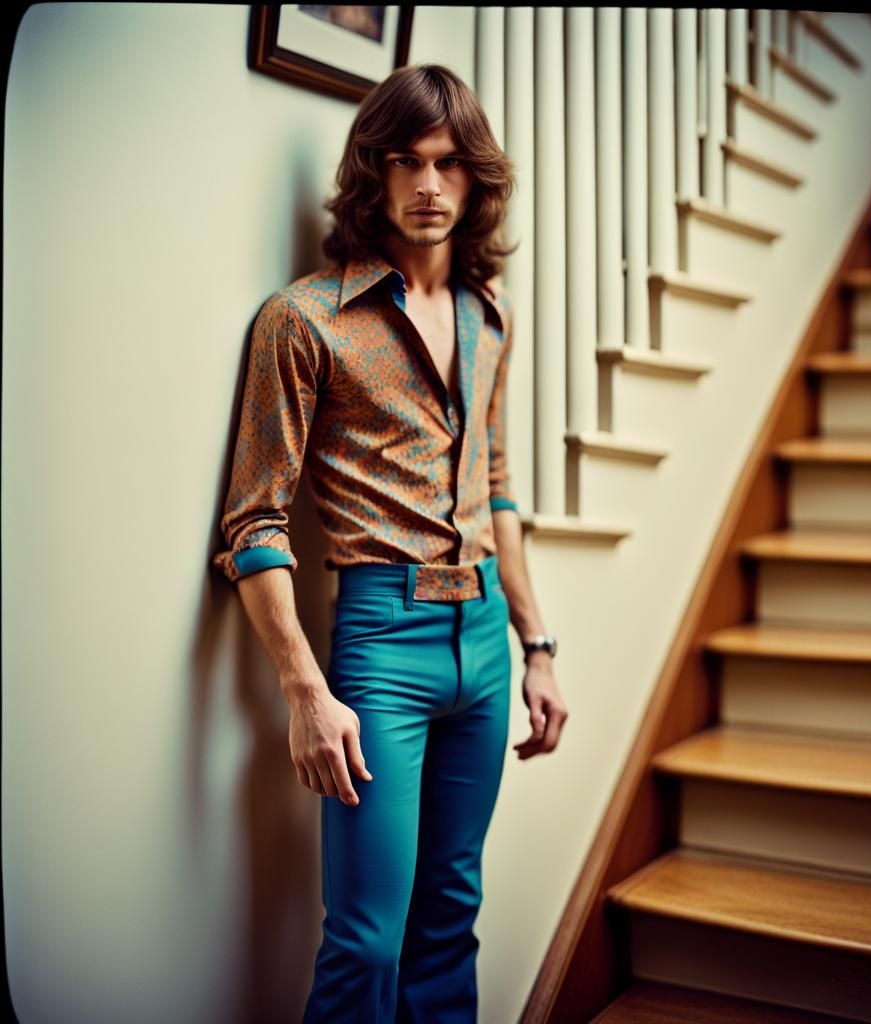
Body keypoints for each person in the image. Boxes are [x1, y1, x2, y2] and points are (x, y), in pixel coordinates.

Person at [211, 63, 568, 1023]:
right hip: (381, 640)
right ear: (373, 173)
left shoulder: (491, 315)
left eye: (449, 163)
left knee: (450, 918)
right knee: (367, 939)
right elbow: (254, 520)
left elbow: (495, 487)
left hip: (485, 640)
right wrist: (303, 689)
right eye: (406, 161)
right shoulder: (303, 321)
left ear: (476, 178)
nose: (428, 186)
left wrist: (536, 646)